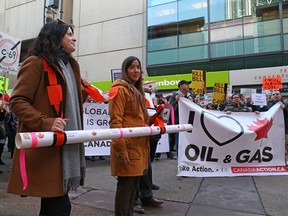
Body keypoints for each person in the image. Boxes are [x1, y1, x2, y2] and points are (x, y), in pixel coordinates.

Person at [7, 19, 88, 216]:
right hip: (48, 147)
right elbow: (17, 101)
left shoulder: (70, 66)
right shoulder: (35, 63)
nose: (74, 38)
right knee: (60, 207)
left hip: (63, 146)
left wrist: (85, 93)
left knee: (54, 206)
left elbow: (67, 105)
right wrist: (46, 122)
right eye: (69, 34)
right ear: (55, 38)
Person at [109, 56, 160, 216]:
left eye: (138, 67)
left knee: (132, 190)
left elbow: (140, 121)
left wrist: (155, 117)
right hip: (127, 147)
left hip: (138, 147)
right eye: (132, 67)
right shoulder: (120, 90)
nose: (136, 70)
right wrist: (121, 150)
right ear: (125, 70)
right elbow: (115, 122)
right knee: (126, 189)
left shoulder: (137, 91)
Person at [169, 80, 193, 154]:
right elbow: (170, 107)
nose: (188, 86)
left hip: (188, 121)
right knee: (179, 138)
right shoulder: (175, 95)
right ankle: (180, 154)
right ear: (181, 86)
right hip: (178, 121)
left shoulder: (189, 96)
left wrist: (193, 101)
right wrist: (176, 101)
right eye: (186, 84)